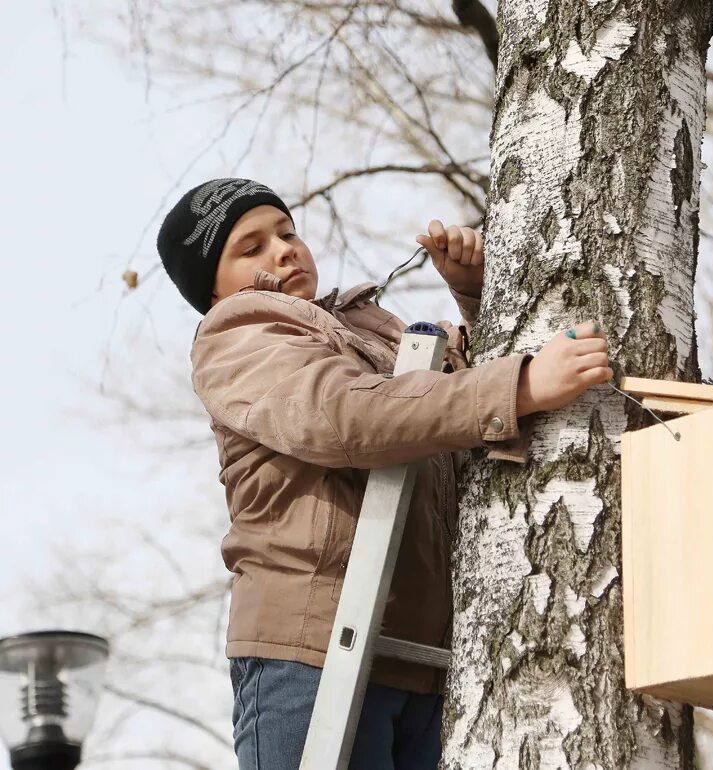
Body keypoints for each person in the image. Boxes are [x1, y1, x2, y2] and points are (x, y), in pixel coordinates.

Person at [156, 178, 612, 769]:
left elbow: (443, 411)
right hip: (312, 654)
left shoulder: (372, 330)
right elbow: (346, 415)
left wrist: (479, 297)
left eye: (287, 231)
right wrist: (520, 385)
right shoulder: (238, 337)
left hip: (423, 662)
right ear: (213, 289)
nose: (285, 249)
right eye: (251, 248)